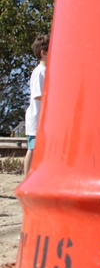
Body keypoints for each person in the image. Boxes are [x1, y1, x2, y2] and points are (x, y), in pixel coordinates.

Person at [23, 33, 49, 177]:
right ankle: (27, 177)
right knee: (32, 148)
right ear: (43, 52)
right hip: (36, 117)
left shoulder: (47, 71)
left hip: (44, 119)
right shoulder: (40, 71)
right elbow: (38, 95)